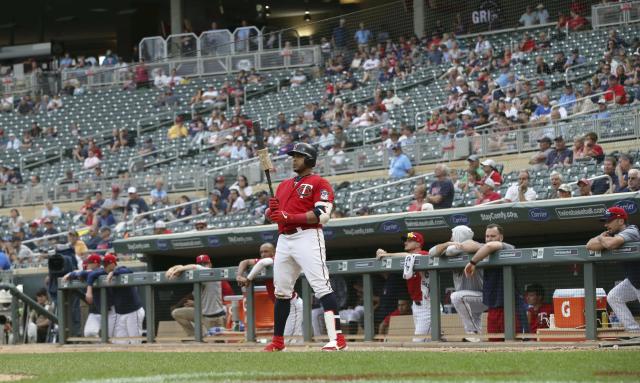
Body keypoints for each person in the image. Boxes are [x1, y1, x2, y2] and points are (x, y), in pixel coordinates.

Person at [263, 142, 346, 351]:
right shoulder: (283, 185)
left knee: (321, 287)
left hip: (307, 237)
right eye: (293, 156)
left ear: (309, 159)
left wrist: (287, 216)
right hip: (284, 239)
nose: (294, 159)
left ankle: (337, 340)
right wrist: (270, 212)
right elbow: (276, 215)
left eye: (298, 156)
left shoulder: (319, 183)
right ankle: (278, 341)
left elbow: (321, 215)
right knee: (281, 291)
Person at [462, 224, 528, 339]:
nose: (489, 239)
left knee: (516, 343)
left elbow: (490, 246)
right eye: (487, 236)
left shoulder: (507, 247)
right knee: (494, 343)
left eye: (493, 236)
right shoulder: (484, 248)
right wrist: (480, 247)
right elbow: (465, 245)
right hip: (493, 307)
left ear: (501, 237)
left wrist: (472, 263)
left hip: (511, 307)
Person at [587, 207, 640, 333]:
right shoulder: (611, 235)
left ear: (621, 221)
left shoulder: (631, 230)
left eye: (609, 221)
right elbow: (589, 245)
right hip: (634, 281)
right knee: (614, 297)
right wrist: (604, 238)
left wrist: (601, 238)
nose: (606, 225)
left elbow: (611, 244)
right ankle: (635, 332)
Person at [236, 243, 303, 342]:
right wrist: (238, 275)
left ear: (273, 252)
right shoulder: (265, 261)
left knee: (289, 339)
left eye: (266, 251)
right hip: (283, 305)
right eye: (261, 252)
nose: (263, 254)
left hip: (292, 305)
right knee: (292, 338)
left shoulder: (277, 258)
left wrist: (248, 279)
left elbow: (262, 263)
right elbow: (244, 262)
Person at [429, 225, 486, 341]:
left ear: (459, 235)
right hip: (469, 298)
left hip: (482, 296)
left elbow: (451, 251)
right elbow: (431, 252)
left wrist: (454, 246)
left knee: (456, 297)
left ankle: (472, 333)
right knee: (474, 319)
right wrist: (446, 244)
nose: (451, 238)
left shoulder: (479, 247)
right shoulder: (452, 247)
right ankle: (475, 341)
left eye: (453, 235)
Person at [376, 232, 431, 342]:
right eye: (406, 240)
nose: (406, 242)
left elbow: (410, 257)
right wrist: (382, 253)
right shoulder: (406, 259)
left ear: (418, 243)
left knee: (418, 342)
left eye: (410, 240)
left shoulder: (425, 254)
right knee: (427, 342)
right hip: (416, 306)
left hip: (428, 306)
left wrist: (386, 255)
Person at [166, 254, 233, 337]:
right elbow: (187, 268)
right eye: (201, 264)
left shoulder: (214, 276)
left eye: (205, 263)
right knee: (177, 313)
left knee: (218, 343)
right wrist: (172, 269)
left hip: (216, 317)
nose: (203, 266)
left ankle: (207, 337)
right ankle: (195, 336)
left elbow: (194, 267)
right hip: (203, 314)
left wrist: (179, 268)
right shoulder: (199, 280)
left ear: (210, 264)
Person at [87, 254, 145, 344]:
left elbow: (128, 270)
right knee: (119, 342)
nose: (105, 267)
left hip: (133, 311)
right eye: (104, 265)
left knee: (135, 341)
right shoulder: (104, 272)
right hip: (120, 313)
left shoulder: (122, 269)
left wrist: (113, 272)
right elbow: (91, 275)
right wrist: (89, 291)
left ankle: (140, 358)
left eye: (107, 264)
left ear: (113, 264)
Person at [62, 254, 114, 338]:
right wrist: (73, 274)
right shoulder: (87, 273)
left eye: (90, 263)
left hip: (110, 311)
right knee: (89, 333)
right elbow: (82, 273)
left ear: (97, 264)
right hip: (95, 311)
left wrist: (73, 274)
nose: (88, 265)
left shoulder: (103, 271)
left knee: (114, 337)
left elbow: (91, 273)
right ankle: (101, 349)